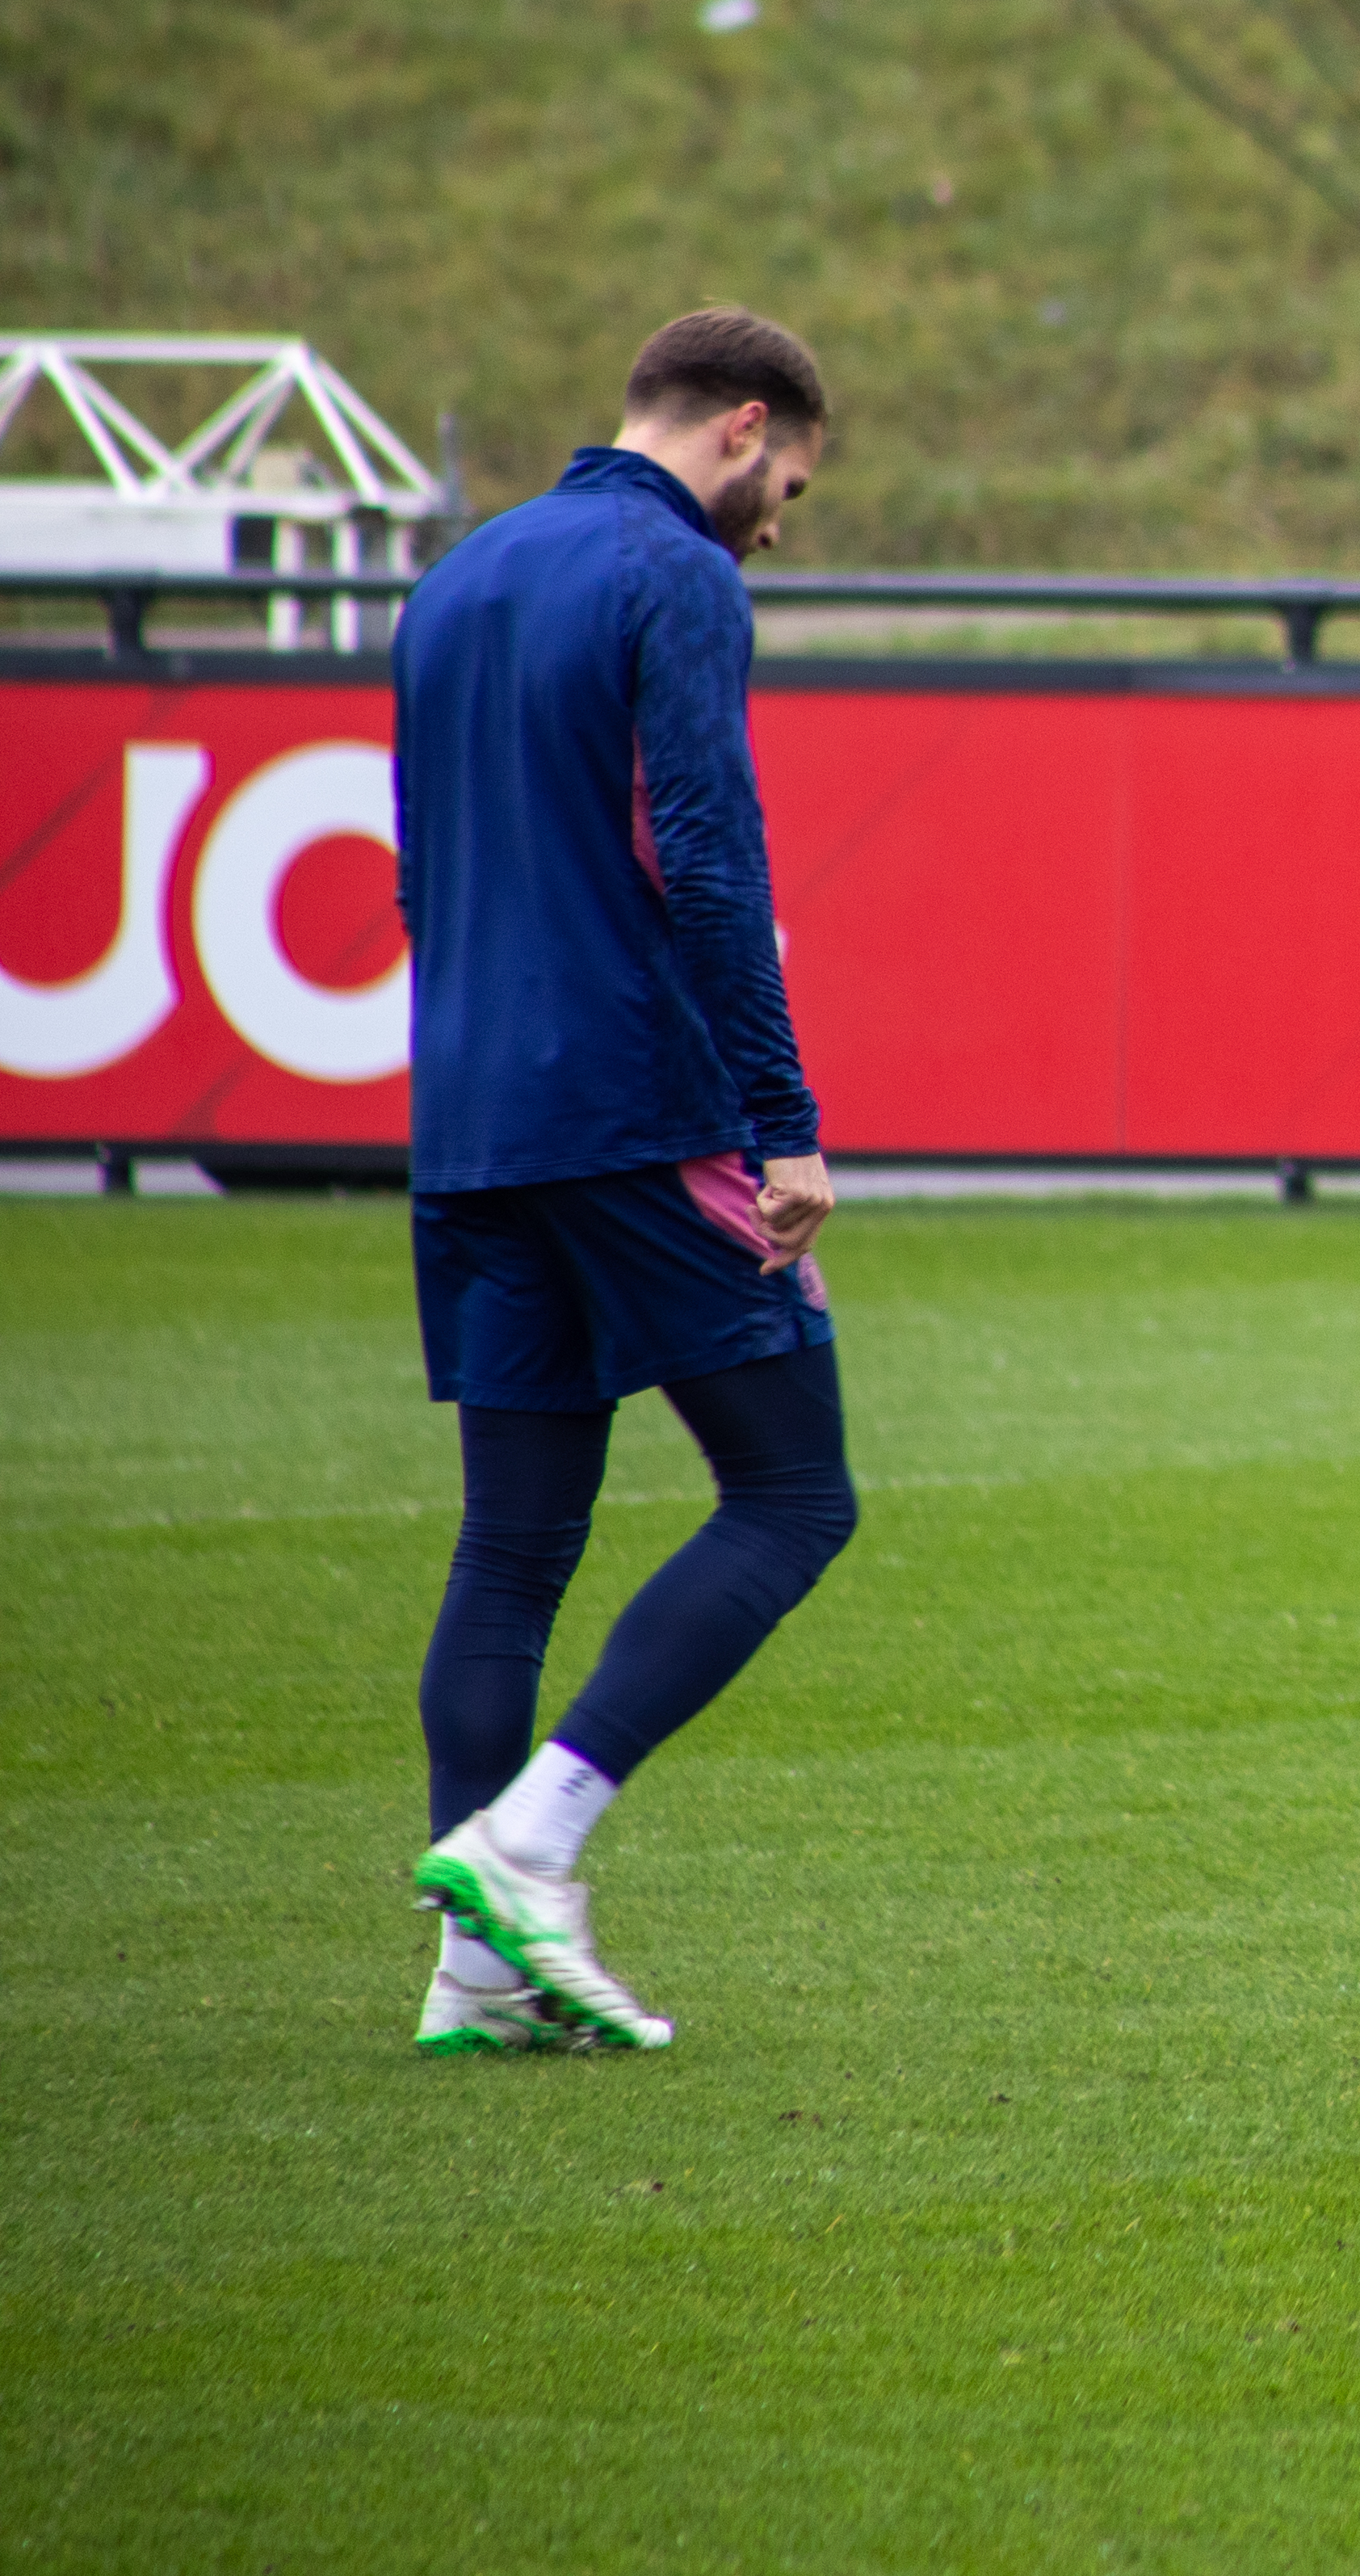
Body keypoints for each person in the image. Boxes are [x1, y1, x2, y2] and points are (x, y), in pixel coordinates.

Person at [395, 311, 860, 2053]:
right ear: (743, 428)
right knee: (796, 1493)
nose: (783, 519)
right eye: (791, 481)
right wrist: (782, 1117)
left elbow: (418, 873)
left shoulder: (459, 579)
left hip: (472, 1122)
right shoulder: (676, 575)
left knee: (512, 1541)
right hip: (639, 1109)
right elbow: (711, 863)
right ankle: (532, 1841)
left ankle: (474, 1976)